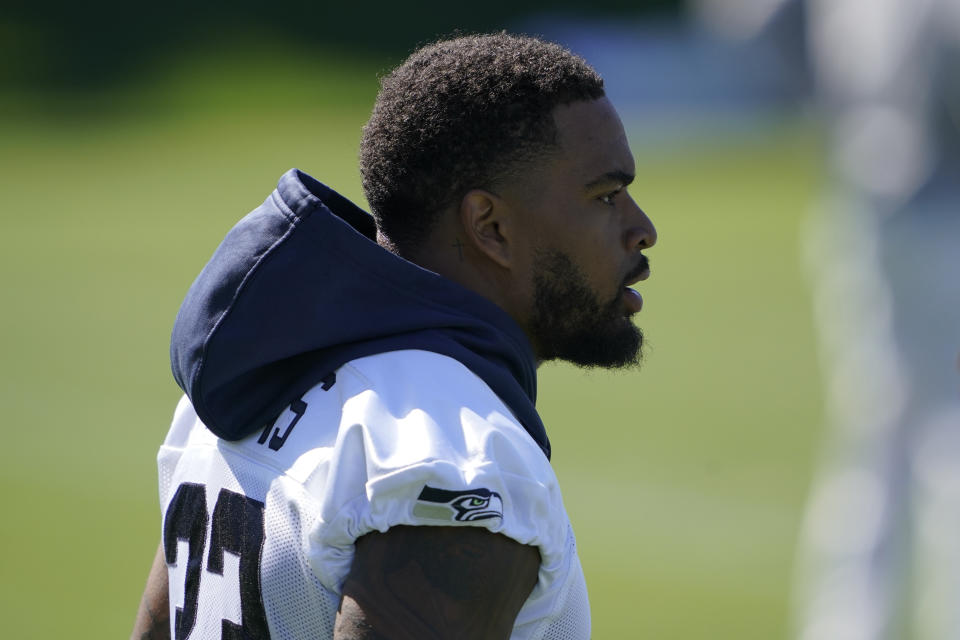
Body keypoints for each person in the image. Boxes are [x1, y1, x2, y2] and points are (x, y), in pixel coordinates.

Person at [132, 32, 656, 639]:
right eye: (606, 196)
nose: (642, 229)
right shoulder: (456, 455)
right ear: (491, 228)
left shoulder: (251, 376)